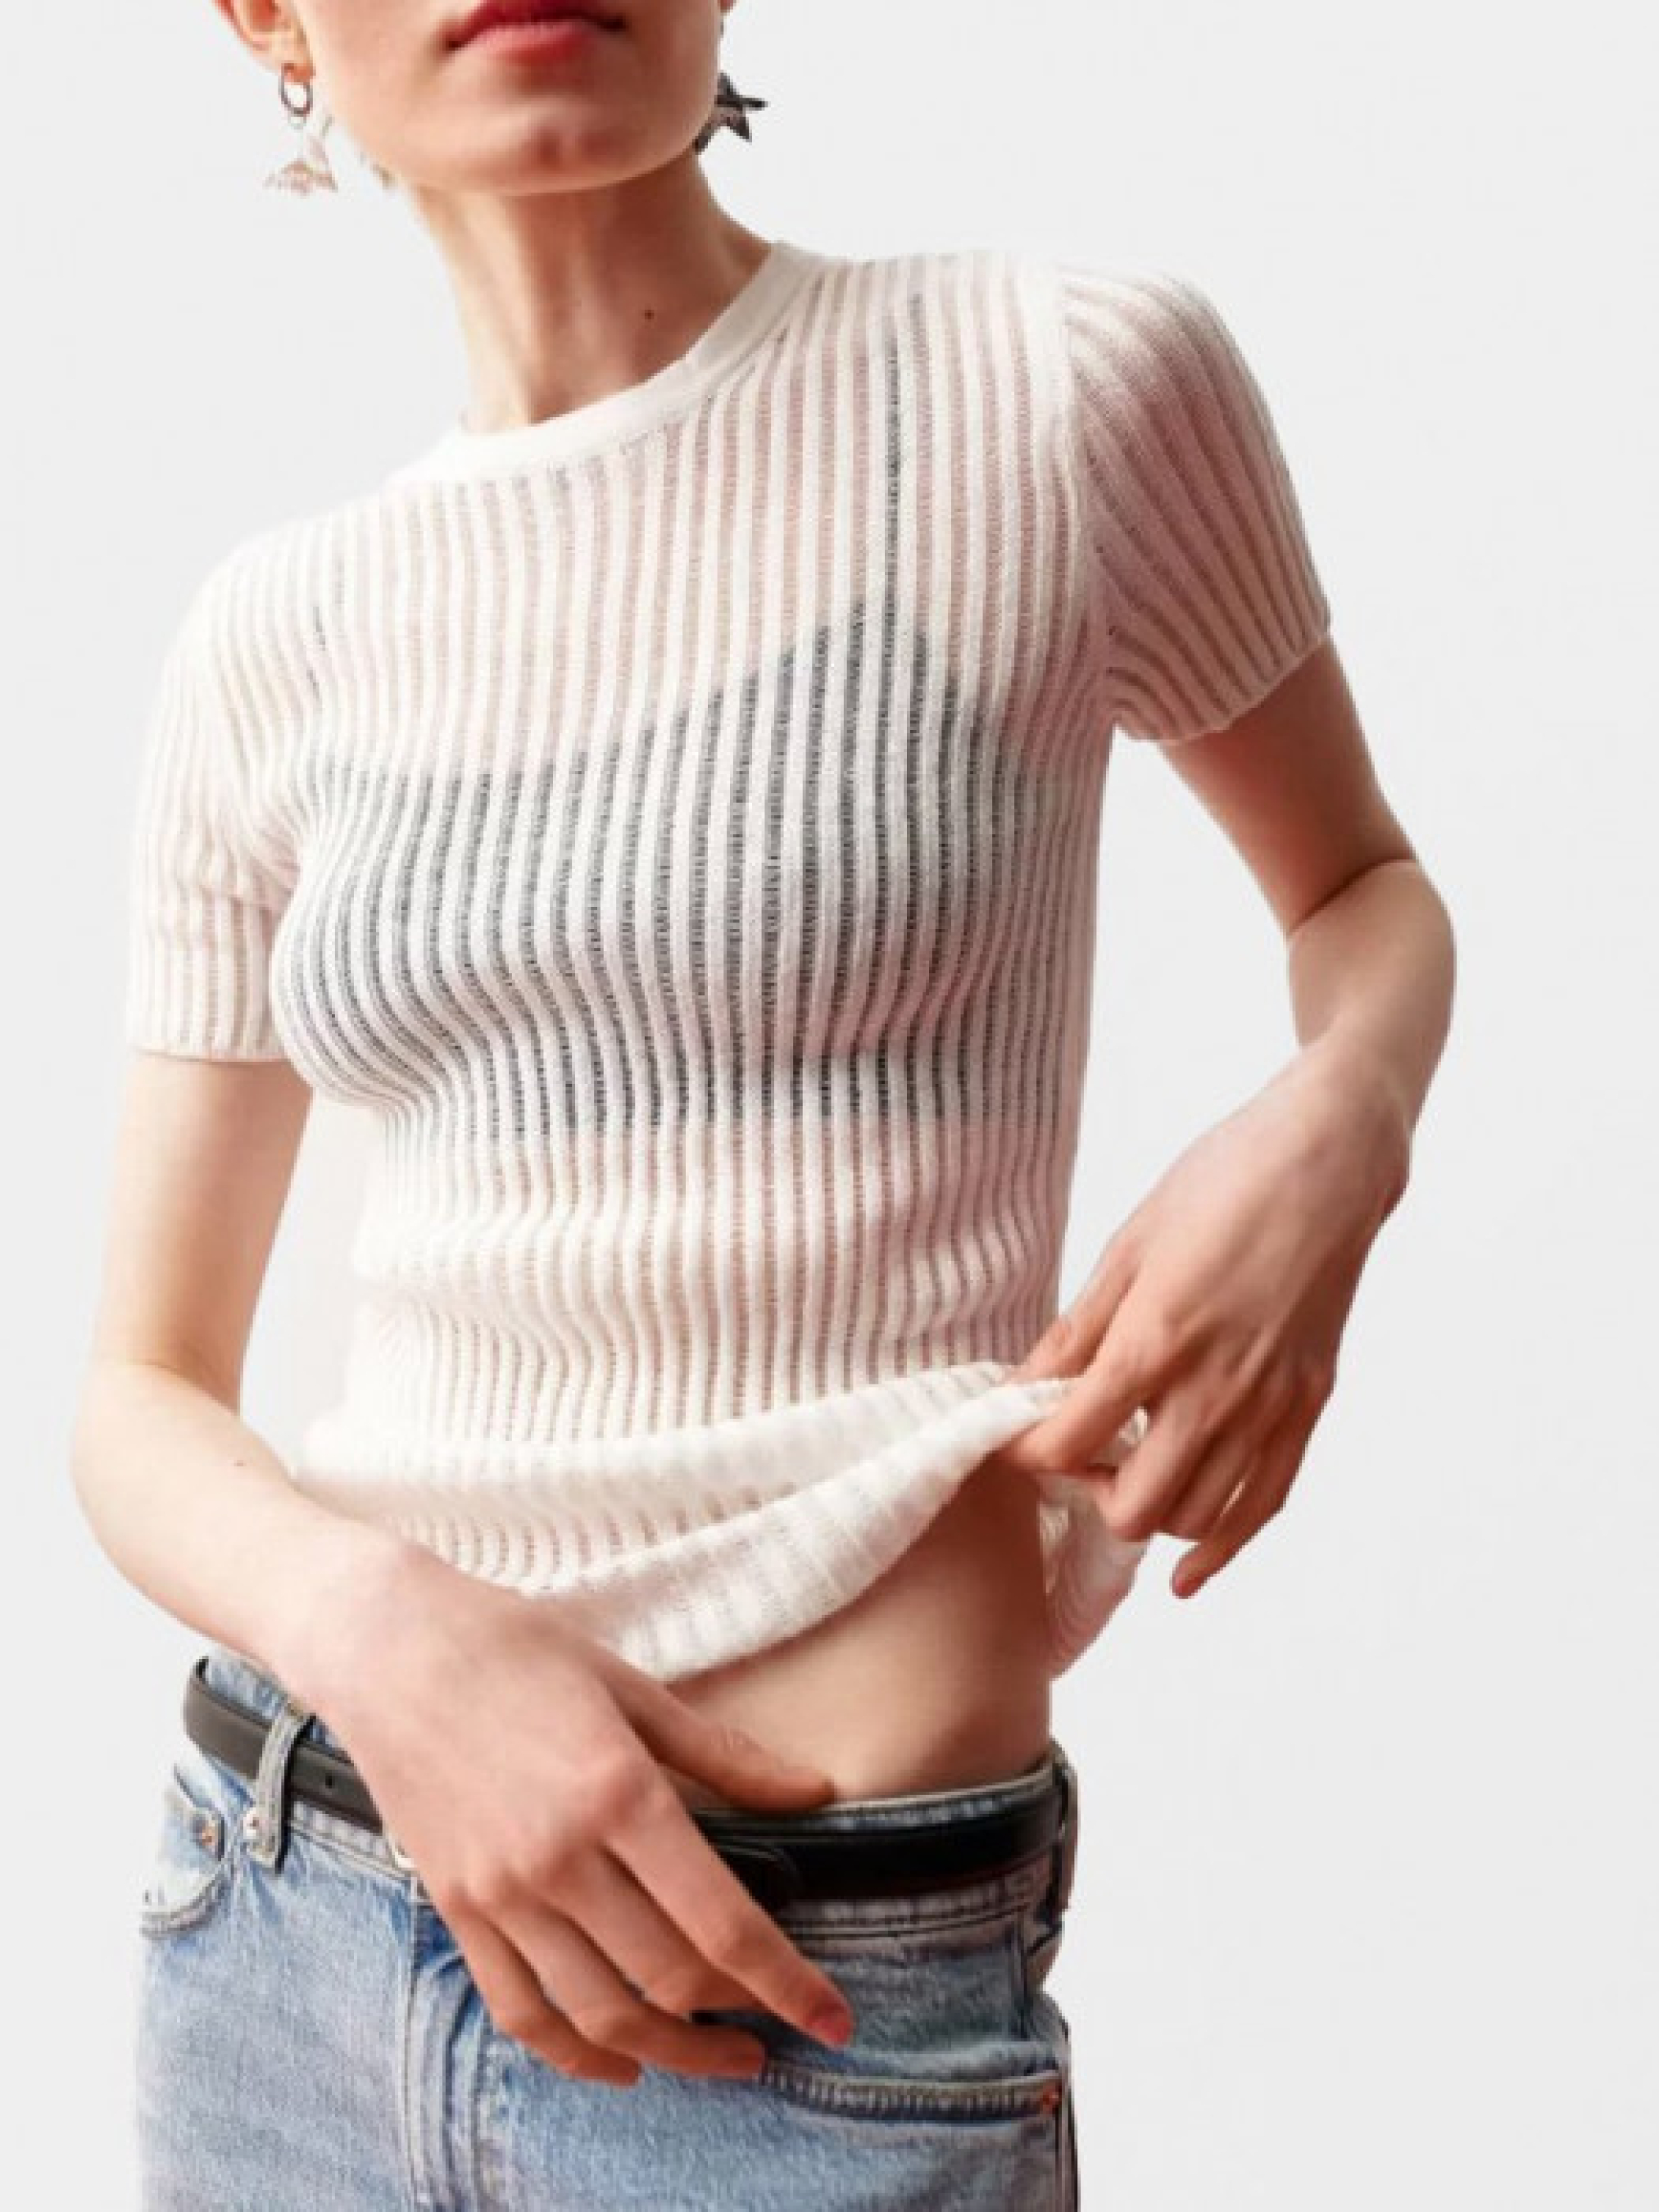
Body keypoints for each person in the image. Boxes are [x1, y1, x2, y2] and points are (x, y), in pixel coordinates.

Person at [71, 2, 1456, 2205]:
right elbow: (140, 1393)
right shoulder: (275, 634)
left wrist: (1342, 1118)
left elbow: (1360, 890)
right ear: (264, 14)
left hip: (819, 2003)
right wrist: (382, 1634)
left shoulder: (1055, 386)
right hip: (291, 1931)